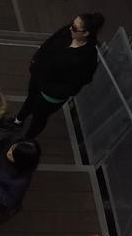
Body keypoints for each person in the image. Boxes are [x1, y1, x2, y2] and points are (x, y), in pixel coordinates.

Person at [6, 13, 105, 142]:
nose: (70, 28)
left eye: (75, 28)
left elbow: (78, 84)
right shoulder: (67, 31)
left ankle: (27, 139)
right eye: (72, 24)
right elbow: (48, 43)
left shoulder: (87, 57)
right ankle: (17, 121)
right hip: (38, 78)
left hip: (50, 95)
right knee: (30, 99)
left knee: (39, 117)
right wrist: (35, 62)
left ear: (86, 33)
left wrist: (49, 89)